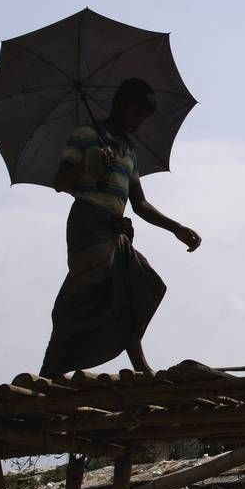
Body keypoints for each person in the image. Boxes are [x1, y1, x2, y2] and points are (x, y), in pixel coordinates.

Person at [41, 78, 201, 376]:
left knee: (143, 286)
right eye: (138, 114)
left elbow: (140, 204)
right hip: (87, 224)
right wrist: (87, 164)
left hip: (115, 229)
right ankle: (56, 366)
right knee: (89, 293)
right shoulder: (87, 135)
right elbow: (60, 183)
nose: (140, 123)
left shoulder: (129, 150)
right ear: (122, 106)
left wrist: (176, 228)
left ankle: (132, 358)